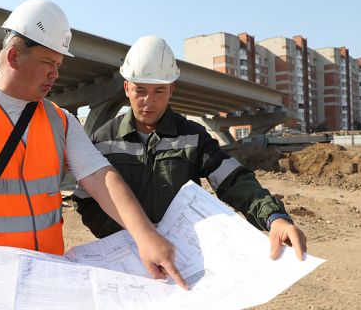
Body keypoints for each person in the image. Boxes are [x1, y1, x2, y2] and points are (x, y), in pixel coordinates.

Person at [0, 0, 187, 307]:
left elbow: (102, 177)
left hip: (43, 285)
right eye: (49, 62)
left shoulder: (60, 121)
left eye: (59, 65)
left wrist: (144, 236)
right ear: (14, 56)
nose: (55, 74)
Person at [72, 35, 307, 260]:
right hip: (127, 255)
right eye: (140, 90)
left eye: (158, 91)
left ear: (172, 89)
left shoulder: (192, 136)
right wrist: (132, 236)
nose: (148, 101)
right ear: (126, 88)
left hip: (182, 254)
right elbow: (86, 199)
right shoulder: (104, 139)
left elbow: (234, 181)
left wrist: (275, 218)